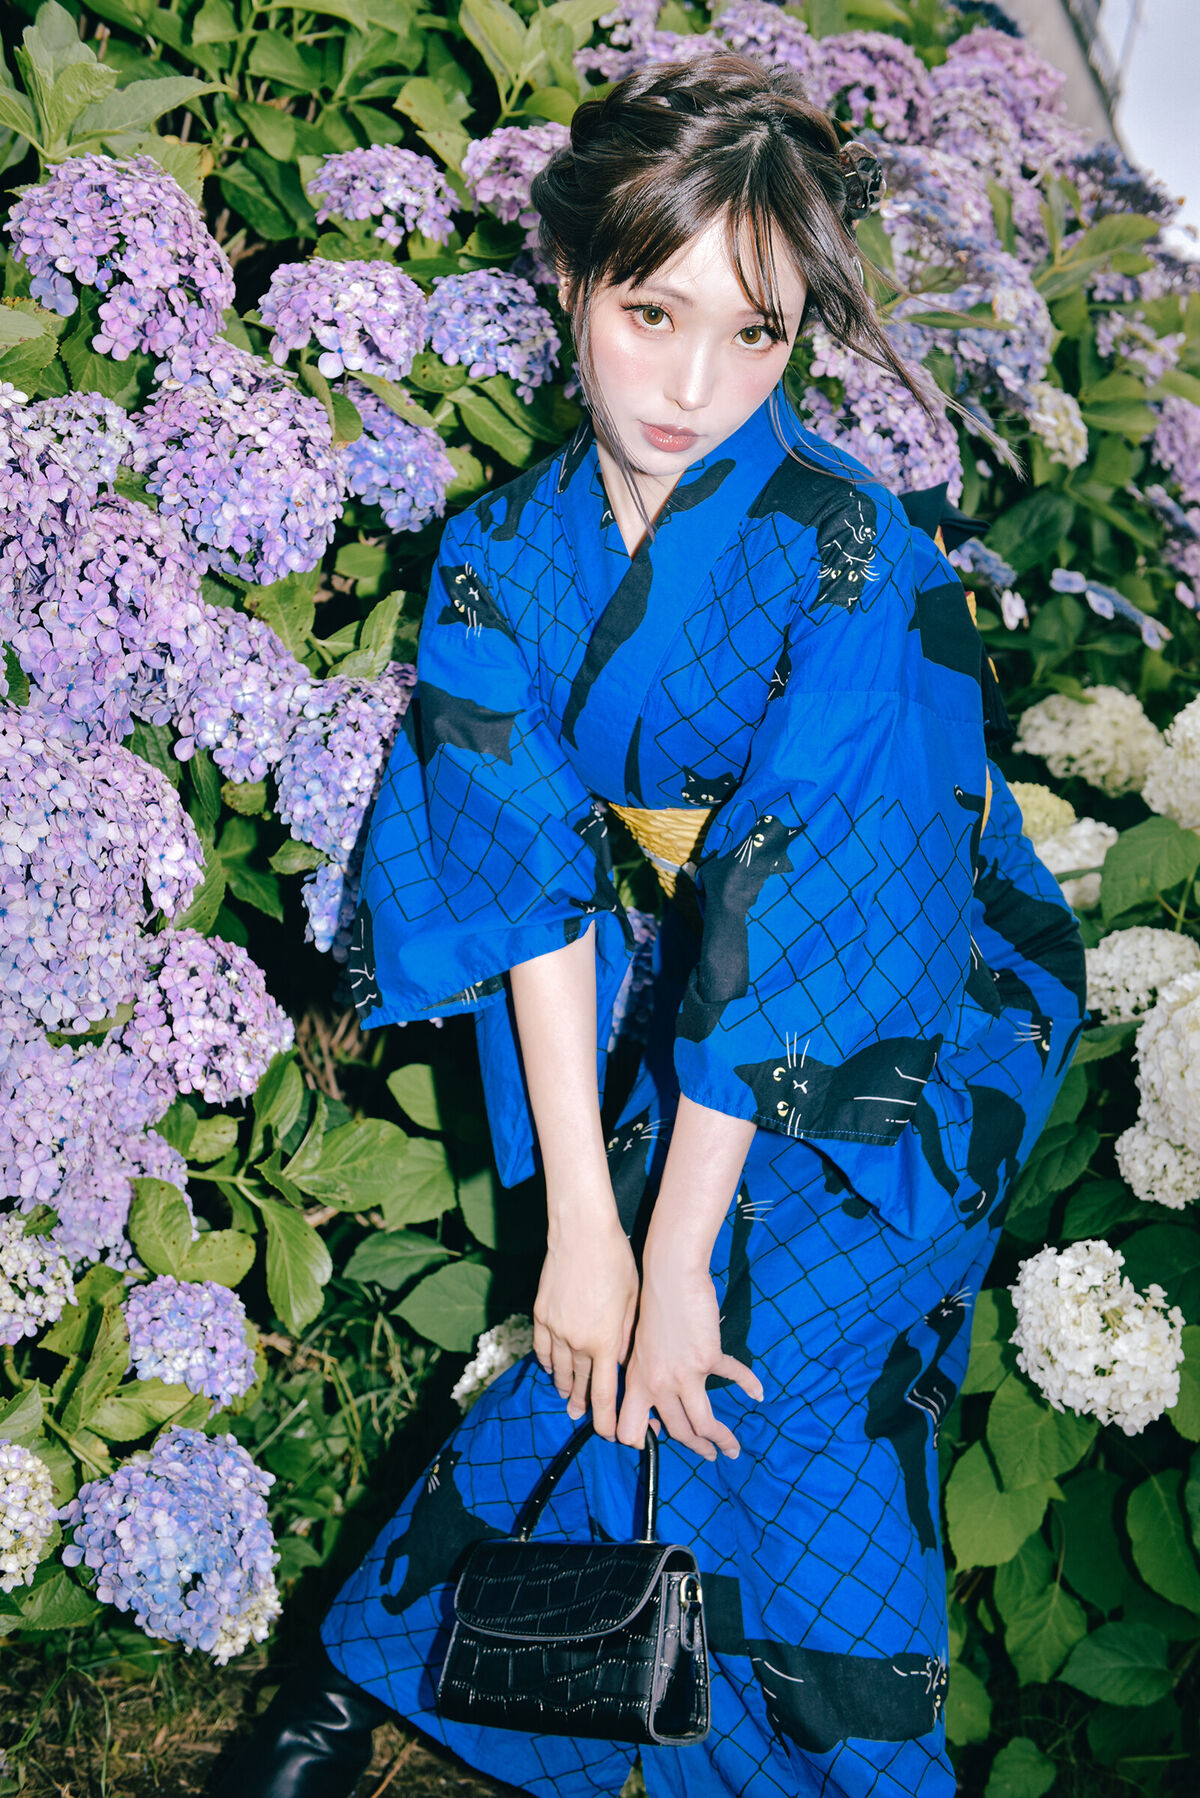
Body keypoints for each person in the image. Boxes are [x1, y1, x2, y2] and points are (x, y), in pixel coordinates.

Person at [231, 51, 1086, 1798]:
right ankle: (369, 1676)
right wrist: (586, 1231)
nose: (696, 385)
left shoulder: (850, 552)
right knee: (605, 1321)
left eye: (756, 334)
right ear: (567, 275)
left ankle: (794, 1758)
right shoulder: (503, 552)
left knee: (773, 1361)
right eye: (651, 313)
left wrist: (674, 1252)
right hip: (697, 976)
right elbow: (528, 887)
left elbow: (819, 910)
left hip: (918, 999)